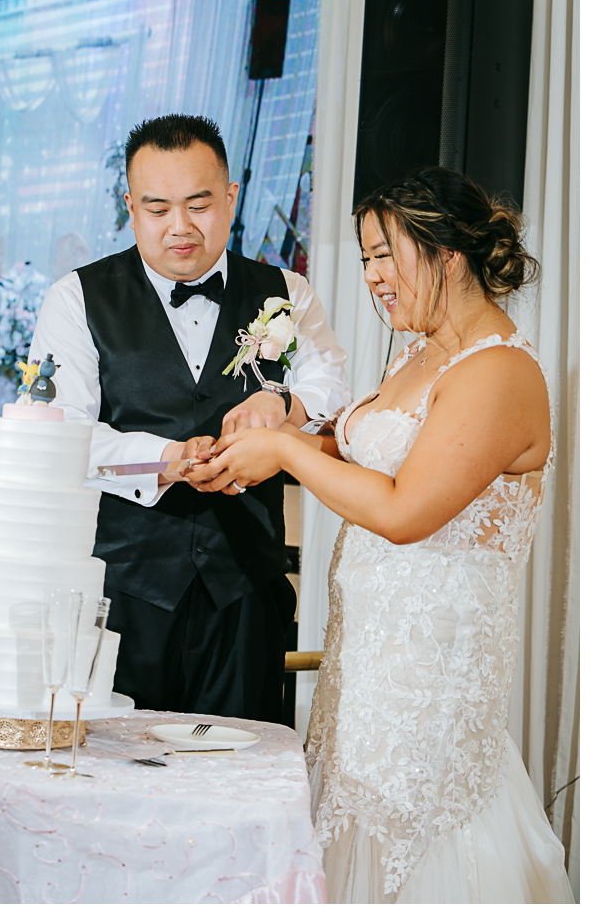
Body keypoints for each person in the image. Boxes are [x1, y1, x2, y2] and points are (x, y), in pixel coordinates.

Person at [193, 167, 574, 903]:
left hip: (430, 673)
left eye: (383, 255)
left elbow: (405, 512)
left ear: (446, 254)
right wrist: (273, 428)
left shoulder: (497, 371)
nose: (370, 276)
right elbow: (360, 450)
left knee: (417, 838)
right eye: (365, 257)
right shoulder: (420, 350)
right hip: (368, 655)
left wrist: (286, 454)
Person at [30, 114, 351, 722]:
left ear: (231, 198)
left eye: (199, 205)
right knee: (115, 784)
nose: (180, 227)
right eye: (157, 209)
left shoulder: (287, 291)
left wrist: (284, 403)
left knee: (241, 782)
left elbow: (332, 382)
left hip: (246, 593)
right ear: (130, 206)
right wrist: (167, 460)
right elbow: (62, 434)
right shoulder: (75, 299)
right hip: (121, 596)